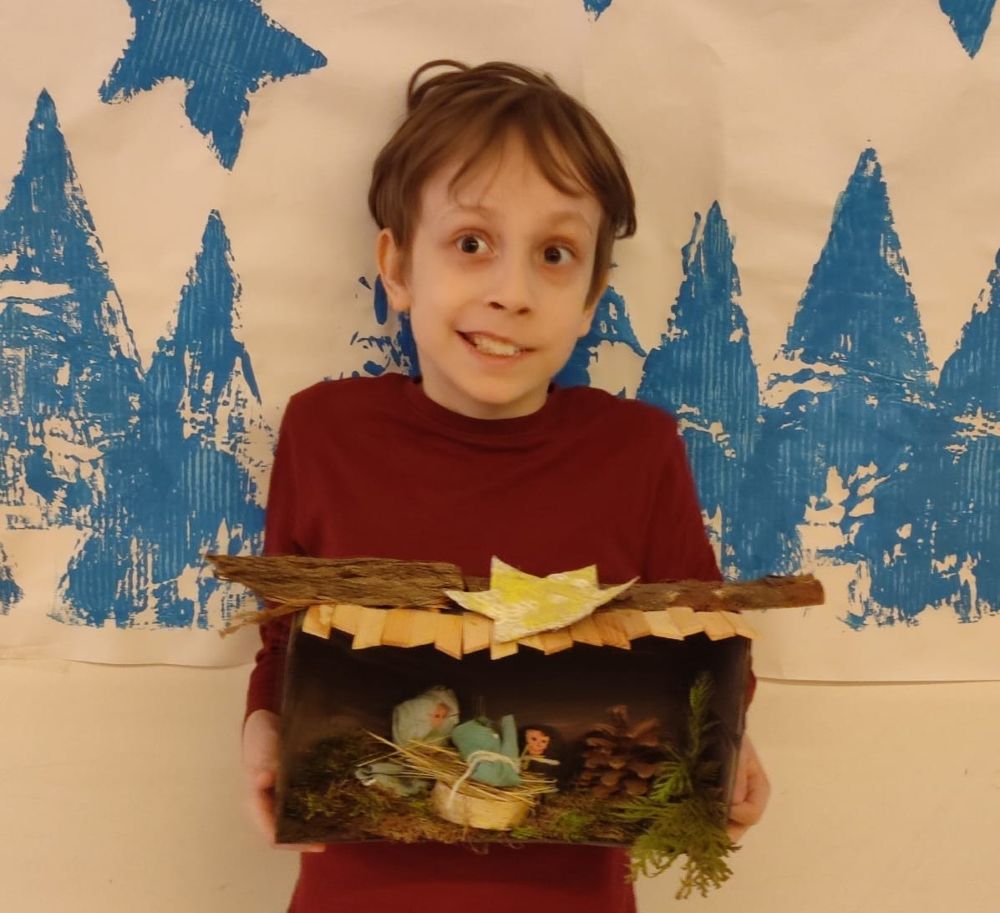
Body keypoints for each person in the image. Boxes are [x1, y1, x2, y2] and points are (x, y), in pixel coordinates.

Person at [242, 59, 769, 913]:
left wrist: (726, 747)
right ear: (398, 266)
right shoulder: (325, 432)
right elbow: (285, 640)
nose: (511, 293)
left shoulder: (638, 452)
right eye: (471, 243)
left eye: (554, 254)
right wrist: (262, 727)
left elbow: (708, 647)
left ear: (592, 297)